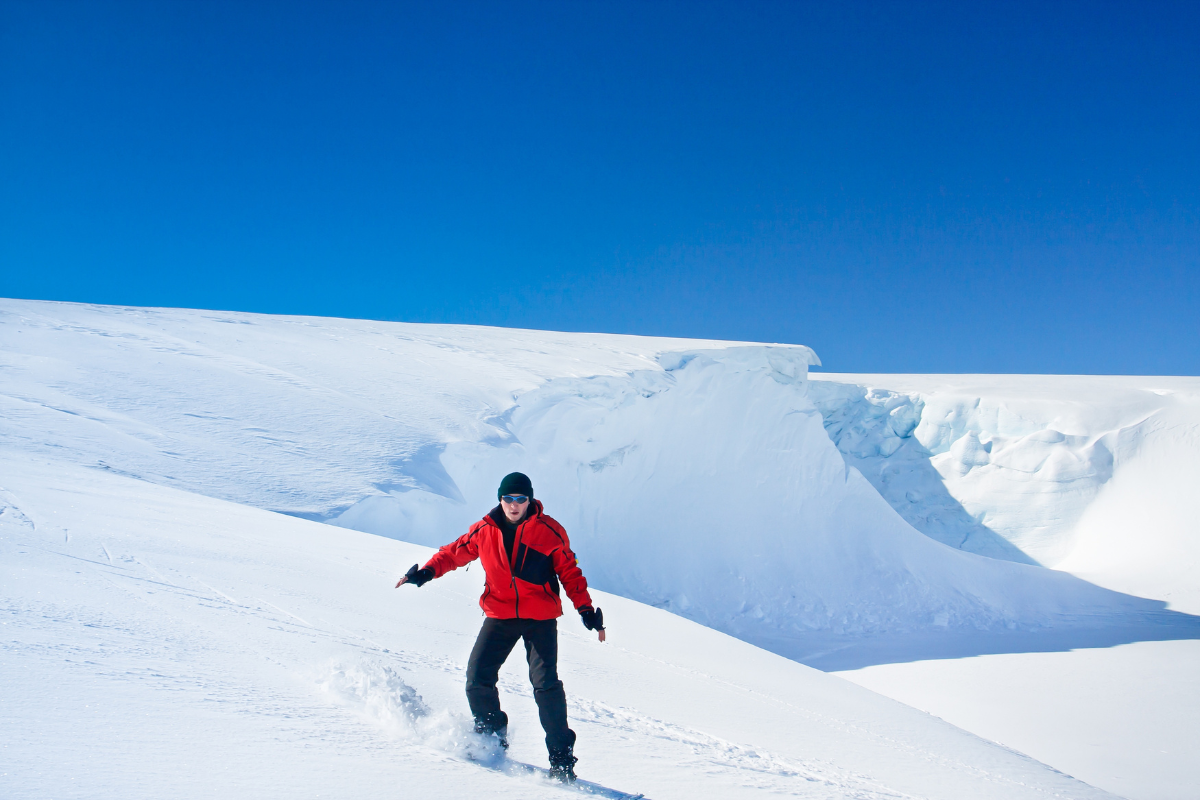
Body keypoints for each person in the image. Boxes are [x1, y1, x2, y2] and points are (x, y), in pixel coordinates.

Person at [395, 472, 605, 782]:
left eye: (520, 498)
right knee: (477, 677)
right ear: (500, 499)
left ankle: (561, 760)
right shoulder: (484, 530)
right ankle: (492, 739)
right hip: (500, 613)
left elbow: (570, 574)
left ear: (530, 500)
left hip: (540, 618)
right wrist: (425, 573)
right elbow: (454, 553)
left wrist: (586, 611)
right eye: (508, 498)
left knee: (545, 685)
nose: (514, 504)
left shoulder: (549, 532)